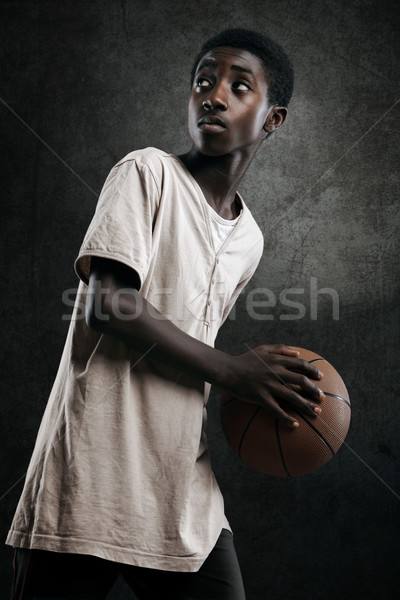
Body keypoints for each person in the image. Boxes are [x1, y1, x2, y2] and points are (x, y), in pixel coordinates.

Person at [7, 28, 324, 600]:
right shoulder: (145, 172)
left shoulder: (249, 238)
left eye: (238, 86)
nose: (214, 95)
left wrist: (251, 390)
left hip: (180, 485)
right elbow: (110, 305)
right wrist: (234, 371)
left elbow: (187, 337)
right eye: (204, 81)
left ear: (273, 118)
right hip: (91, 474)